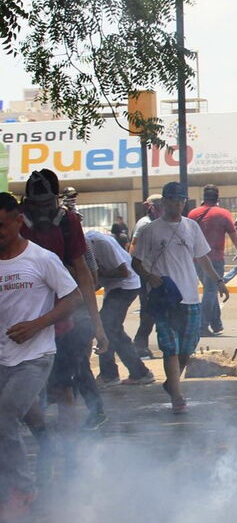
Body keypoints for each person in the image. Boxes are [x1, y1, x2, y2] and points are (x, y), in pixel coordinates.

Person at [0, 192, 82, 520]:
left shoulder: (40, 259)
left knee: (4, 418)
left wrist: (37, 324)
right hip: (2, 358)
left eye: (2, 225)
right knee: (13, 419)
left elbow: (73, 297)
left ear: (19, 221)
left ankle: (23, 488)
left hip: (35, 356)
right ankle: (41, 449)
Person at [20, 169, 110, 438]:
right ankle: (45, 440)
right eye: (35, 206)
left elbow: (84, 272)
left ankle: (69, 448)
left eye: (47, 204)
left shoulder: (68, 222)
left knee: (64, 382)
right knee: (25, 385)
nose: (42, 212)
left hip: (64, 314)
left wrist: (97, 325)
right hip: (23, 315)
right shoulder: (15, 223)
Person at [131, 182, 229, 414]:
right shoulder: (150, 230)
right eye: (173, 200)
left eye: (181, 200)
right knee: (170, 347)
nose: (177, 204)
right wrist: (149, 276)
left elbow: (202, 257)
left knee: (187, 347)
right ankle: (176, 394)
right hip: (164, 297)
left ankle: (171, 383)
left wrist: (217, 280)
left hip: (190, 296)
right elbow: (135, 261)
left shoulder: (191, 227)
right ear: (163, 202)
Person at [86, 230, 155, 387]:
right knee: (113, 330)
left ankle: (110, 374)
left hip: (126, 285)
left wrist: (99, 274)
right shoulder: (87, 245)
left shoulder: (100, 243)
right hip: (114, 287)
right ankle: (138, 372)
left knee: (105, 327)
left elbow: (123, 272)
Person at [188, 185, 237, 335]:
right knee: (211, 291)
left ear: (203, 198)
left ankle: (216, 324)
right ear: (218, 198)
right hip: (215, 259)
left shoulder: (193, 213)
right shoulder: (223, 214)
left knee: (209, 290)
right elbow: (234, 235)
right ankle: (202, 326)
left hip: (197, 259)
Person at [131, 194, 163, 356]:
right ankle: (140, 343)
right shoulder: (145, 224)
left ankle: (142, 342)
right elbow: (134, 248)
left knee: (153, 310)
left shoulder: (157, 223)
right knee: (149, 310)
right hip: (145, 274)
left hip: (153, 272)